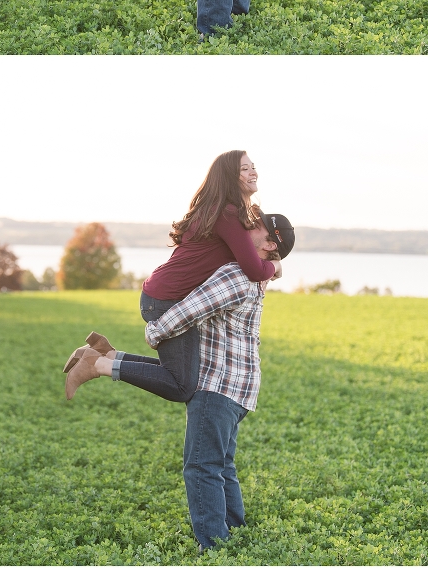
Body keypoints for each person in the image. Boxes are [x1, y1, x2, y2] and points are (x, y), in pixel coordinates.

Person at [67, 213, 296, 553]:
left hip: (216, 386)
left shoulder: (236, 274)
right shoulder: (255, 276)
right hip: (241, 387)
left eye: (259, 225)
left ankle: (214, 547)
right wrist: (275, 267)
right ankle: (235, 530)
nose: (249, 225)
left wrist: (154, 331)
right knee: (222, 464)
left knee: (202, 467)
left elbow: (190, 310)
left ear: (270, 245)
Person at [64, 150, 280, 403]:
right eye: (244, 168)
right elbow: (254, 270)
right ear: (228, 177)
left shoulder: (220, 211)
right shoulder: (227, 213)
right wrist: (275, 266)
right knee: (181, 385)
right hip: (167, 298)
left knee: (182, 373)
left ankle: (106, 355)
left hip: (160, 294)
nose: (253, 172)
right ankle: (98, 364)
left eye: (253, 166)